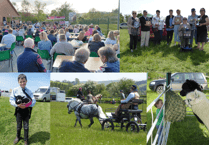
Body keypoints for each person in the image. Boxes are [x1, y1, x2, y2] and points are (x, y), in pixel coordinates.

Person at [10, 74, 36, 145]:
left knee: (26, 126)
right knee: (18, 126)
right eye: (20, 82)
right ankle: (17, 137)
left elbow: (33, 101)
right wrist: (17, 105)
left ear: (26, 81)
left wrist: (26, 105)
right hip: (18, 110)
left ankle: (25, 140)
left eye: (24, 81)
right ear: (18, 82)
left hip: (26, 111)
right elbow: (11, 100)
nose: (22, 83)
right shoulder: (15, 90)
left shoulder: (29, 91)